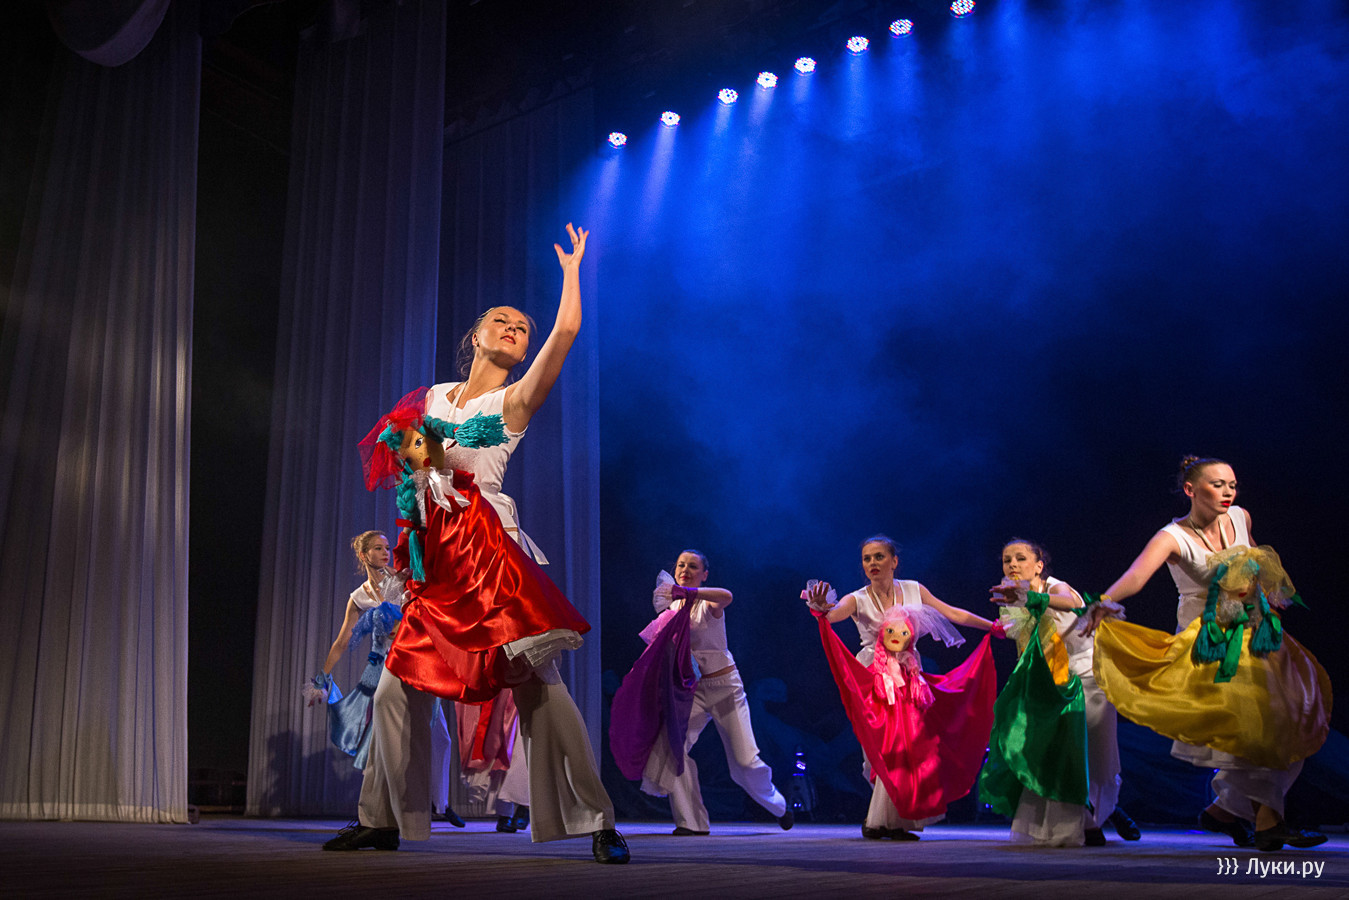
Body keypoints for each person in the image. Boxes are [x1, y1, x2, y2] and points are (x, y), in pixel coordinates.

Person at [324, 223, 628, 864]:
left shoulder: (515, 401)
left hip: (490, 558)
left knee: (537, 685)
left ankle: (599, 820)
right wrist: (415, 497)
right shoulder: (435, 397)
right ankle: (380, 821)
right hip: (438, 560)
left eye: (522, 327)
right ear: (476, 337)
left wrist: (572, 273)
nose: (514, 329)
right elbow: (412, 467)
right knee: (394, 687)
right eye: (502, 321)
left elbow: (566, 333)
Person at [1081, 456, 1330, 853]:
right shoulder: (1172, 537)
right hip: (1210, 643)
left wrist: (1269, 593)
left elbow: (1253, 565)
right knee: (1253, 728)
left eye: (1232, 484)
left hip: (1257, 635)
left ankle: (1224, 811)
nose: (1228, 492)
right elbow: (1137, 575)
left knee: (1288, 721)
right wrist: (1103, 601)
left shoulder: (1240, 518)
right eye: (1217, 484)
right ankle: (1269, 823)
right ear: (1190, 489)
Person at [805, 534, 1001, 840]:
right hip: (874, 678)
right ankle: (885, 818)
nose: (872, 563)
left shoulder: (913, 590)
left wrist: (992, 627)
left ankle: (890, 822)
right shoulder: (857, 598)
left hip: (908, 677)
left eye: (879, 557)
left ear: (894, 561)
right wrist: (820, 609)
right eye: (867, 558)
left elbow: (952, 613)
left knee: (906, 748)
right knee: (879, 750)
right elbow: (833, 614)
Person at [983, 539, 1137, 846]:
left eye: (1020, 558)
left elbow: (1071, 603)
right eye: (1006, 560)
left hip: (1087, 676)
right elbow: (1027, 645)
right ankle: (1087, 821)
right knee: (1056, 753)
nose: (1012, 564)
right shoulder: (1012, 600)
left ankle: (1102, 811)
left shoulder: (1056, 587)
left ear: (1039, 565)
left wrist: (1031, 598)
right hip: (1051, 681)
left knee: (1094, 756)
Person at [308, 530, 463, 826]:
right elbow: (342, 642)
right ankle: (378, 812)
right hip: (380, 670)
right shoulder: (359, 597)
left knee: (440, 736)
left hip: (414, 663)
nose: (385, 553)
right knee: (378, 741)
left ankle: (440, 803)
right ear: (363, 555)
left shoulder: (402, 580)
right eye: (378, 548)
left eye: (387, 548)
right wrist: (320, 679)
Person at [636, 551, 792, 835]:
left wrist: (690, 593)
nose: (685, 569)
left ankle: (779, 806)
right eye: (681, 565)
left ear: (704, 574)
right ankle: (691, 822)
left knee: (744, 763)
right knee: (673, 747)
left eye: (693, 566)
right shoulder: (672, 607)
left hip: (725, 688)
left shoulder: (707, 602)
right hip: (693, 690)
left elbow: (727, 596)